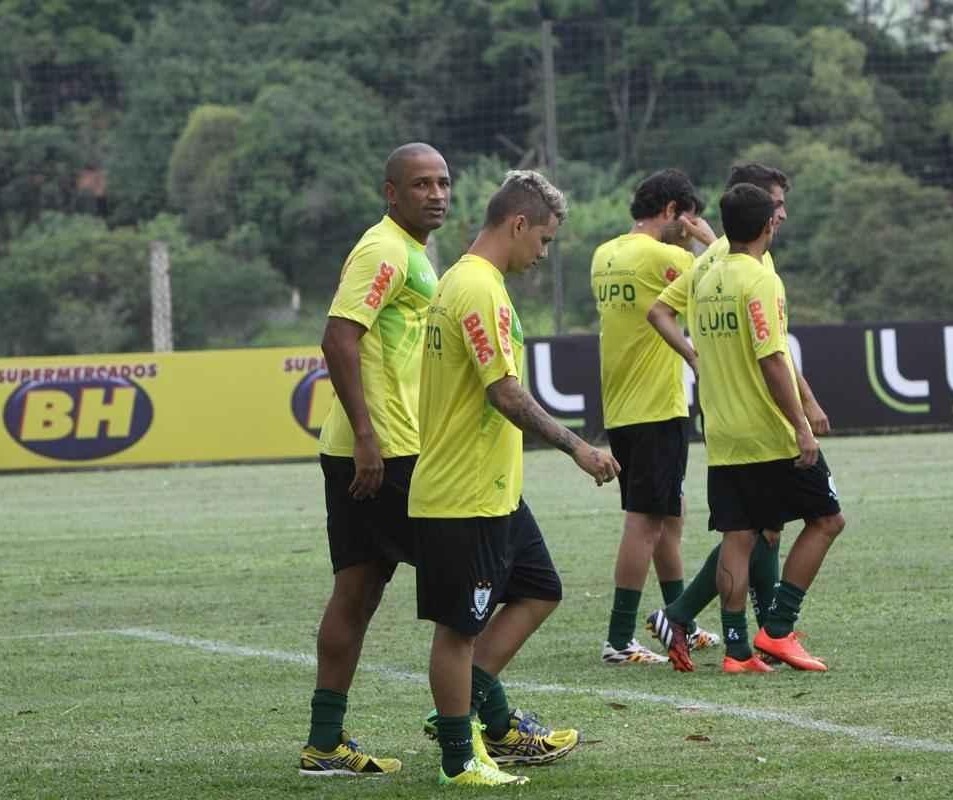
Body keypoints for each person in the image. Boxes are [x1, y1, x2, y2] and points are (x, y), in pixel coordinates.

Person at [409, 170, 621, 786]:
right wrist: (578, 446)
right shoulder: (477, 288)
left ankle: (463, 710)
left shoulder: (470, 282)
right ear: (518, 223)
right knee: (459, 628)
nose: (544, 254)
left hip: (494, 490)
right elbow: (504, 392)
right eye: (546, 240)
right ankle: (460, 758)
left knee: (540, 589)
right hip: (462, 491)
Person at [647, 183, 845, 674]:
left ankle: (737, 652)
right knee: (827, 520)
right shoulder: (759, 280)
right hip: (766, 433)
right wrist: (802, 427)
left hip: (722, 433)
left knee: (740, 537)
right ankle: (778, 629)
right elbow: (774, 360)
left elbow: (662, 313)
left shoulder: (704, 275)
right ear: (766, 226)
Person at [298, 142, 449, 777]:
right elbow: (338, 336)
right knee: (477, 574)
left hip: (376, 447)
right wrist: (368, 435)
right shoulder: (385, 249)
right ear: (391, 193)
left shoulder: (410, 252)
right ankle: (486, 722)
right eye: (420, 185)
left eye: (443, 183)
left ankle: (324, 743)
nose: (437, 194)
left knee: (357, 590)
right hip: (386, 449)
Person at [590, 169, 721, 666]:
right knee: (645, 522)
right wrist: (707, 241)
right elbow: (722, 277)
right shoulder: (668, 257)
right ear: (672, 211)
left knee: (670, 516)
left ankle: (678, 619)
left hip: (622, 402)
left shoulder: (604, 255)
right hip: (656, 404)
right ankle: (619, 639)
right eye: (686, 218)